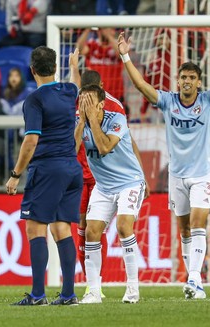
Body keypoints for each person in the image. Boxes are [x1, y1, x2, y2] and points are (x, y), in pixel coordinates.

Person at [118, 30, 210, 299]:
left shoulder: (209, 100)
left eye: (191, 78)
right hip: (177, 176)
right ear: (178, 80)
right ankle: (193, 279)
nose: (186, 81)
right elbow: (141, 86)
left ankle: (195, 280)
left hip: (203, 175)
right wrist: (125, 55)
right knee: (183, 229)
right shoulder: (168, 101)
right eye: (183, 77)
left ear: (198, 82)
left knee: (197, 222)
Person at [6, 46, 82, 306]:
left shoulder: (34, 100)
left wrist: (16, 174)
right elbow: (75, 83)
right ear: (55, 67)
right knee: (62, 228)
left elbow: (31, 140)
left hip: (48, 169)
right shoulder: (69, 91)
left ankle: (38, 295)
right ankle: (68, 294)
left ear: (32, 70)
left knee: (35, 228)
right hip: (72, 169)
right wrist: (74, 66)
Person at [75, 69, 149, 297]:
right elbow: (70, 148)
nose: (86, 106)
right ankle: (93, 291)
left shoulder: (116, 118)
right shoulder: (80, 121)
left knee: (124, 226)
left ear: (101, 105)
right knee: (91, 231)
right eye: (83, 102)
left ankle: (133, 289)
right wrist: (81, 122)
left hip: (129, 182)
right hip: (104, 186)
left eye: (91, 103)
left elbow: (105, 147)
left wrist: (92, 123)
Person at [76, 28, 124, 102]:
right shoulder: (93, 44)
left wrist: (108, 35)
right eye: (103, 29)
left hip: (115, 94)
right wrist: (87, 30)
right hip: (95, 94)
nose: (105, 31)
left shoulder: (118, 45)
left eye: (109, 28)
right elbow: (79, 50)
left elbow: (120, 54)